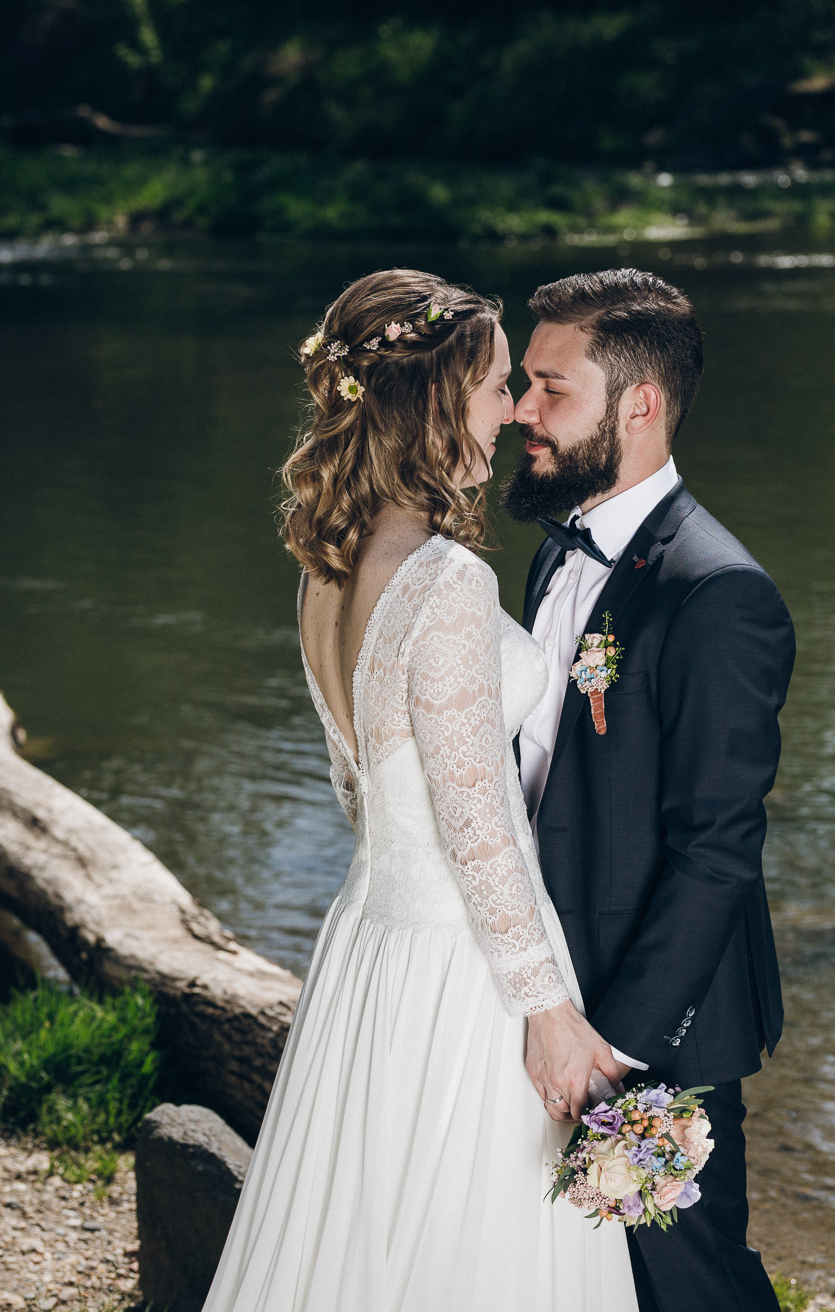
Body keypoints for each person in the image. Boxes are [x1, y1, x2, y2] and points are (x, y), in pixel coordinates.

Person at [201, 268, 639, 1312]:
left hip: (371, 940)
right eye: (495, 384)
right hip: (459, 971)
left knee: (364, 1232)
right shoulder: (446, 581)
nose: (510, 410)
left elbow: (368, 793)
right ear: (441, 399)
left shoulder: (331, 566)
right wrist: (547, 1012)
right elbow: (476, 827)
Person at [505, 268, 796, 1312]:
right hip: (550, 998)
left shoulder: (719, 595)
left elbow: (716, 851)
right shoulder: (554, 555)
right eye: (523, 385)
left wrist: (615, 1050)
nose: (518, 412)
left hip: (654, 1022)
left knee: (691, 1282)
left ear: (639, 403)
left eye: (550, 389)